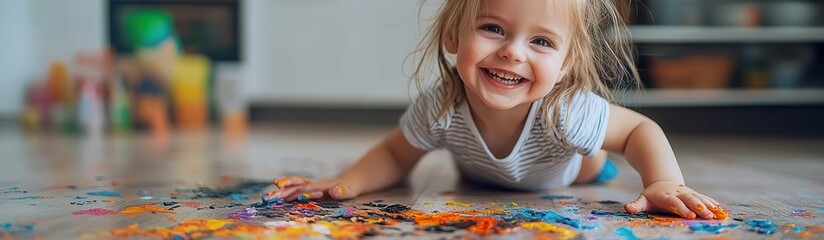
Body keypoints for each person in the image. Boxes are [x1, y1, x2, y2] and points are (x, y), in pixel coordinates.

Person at [266, 0, 723, 220]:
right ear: (453, 37)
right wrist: (347, 183)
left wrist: (662, 182)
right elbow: (396, 154)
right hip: (481, 171)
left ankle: (593, 165)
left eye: (541, 42)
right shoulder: (442, 105)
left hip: (567, 170)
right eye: (492, 28)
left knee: (591, 162)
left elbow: (639, 131)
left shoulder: (565, 111)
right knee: (469, 173)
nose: (513, 52)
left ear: (566, 66)